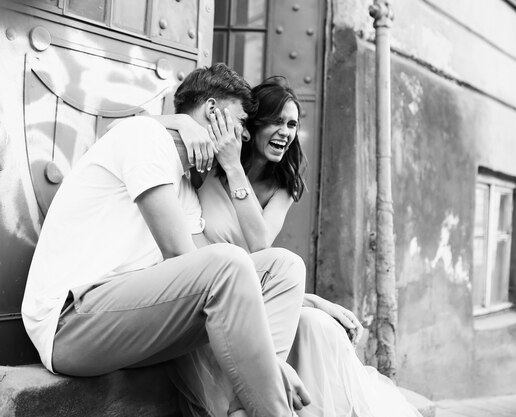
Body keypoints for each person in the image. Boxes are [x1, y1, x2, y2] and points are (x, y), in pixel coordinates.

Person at [21, 64, 310, 417]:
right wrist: (174, 122)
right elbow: (183, 255)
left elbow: (212, 270)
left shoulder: (185, 187)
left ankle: (244, 408)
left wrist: (267, 355)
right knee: (228, 262)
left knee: (284, 265)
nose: (244, 135)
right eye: (238, 122)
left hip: (129, 318)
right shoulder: (145, 137)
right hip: (70, 323)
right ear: (211, 111)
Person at [168, 76, 422, 416]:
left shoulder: (284, 186)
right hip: (209, 294)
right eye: (276, 121)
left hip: (251, 292)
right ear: (250, 127)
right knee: (301, 307)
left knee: (319, 328)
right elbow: (149, 127)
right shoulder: (210, 163)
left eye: (292, 124)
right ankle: (252, 402)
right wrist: (201, 137)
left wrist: (311, 301)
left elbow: (258, 243)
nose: (286, 132)